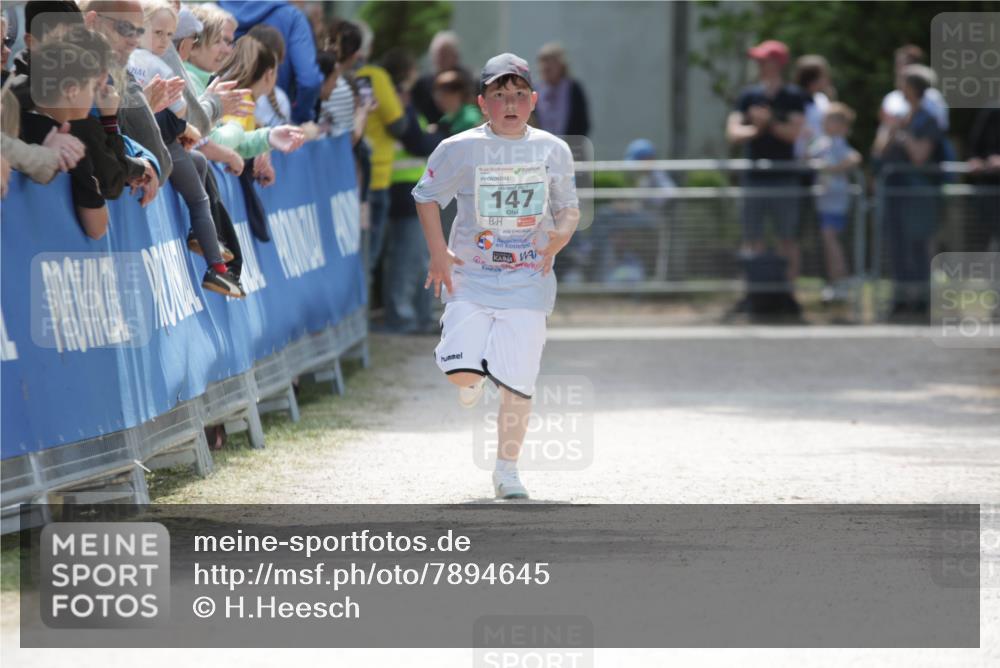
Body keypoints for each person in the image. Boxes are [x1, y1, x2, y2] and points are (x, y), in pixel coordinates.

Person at [412, 53, 580, 500]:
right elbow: (425, 196)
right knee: (462, 376)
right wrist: (438, 254)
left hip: (528, 280)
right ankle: (471, 376)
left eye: (519, 95)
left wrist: (559, 237)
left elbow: (568, 208)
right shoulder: (459, 148)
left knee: (519, 383)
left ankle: (507, 471)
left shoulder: (552, 149)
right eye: (500, 95)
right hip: (471, 276)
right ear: (482, 102)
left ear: (534, 101)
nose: (510, 104)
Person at [129, 0, 244, 298]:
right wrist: (186, 127)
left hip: (152, 143)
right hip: (162, 146)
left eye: (169, 36)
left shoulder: (126, 60)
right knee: (199, 200)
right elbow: (185, 115)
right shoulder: (158, 65)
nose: (165, 42)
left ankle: (200, 235)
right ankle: (217, 270)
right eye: (159, 34)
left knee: (200, 163)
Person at [725, 39, 805, 282]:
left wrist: (768, 123)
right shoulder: (748, 95)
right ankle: (754, 291)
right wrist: (758, 128)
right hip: (754, 178)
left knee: (787, 238)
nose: (758, 64)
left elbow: (794, 134)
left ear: (777, 63)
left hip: (784, 178)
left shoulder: (793, 96)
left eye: (763, 60)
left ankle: (788, 294)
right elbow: (733, 133)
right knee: (752, 238)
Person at [872, 64, 944, 320]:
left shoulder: (928, 119)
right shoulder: (900, 117)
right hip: (894, 191)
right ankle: (900, 299)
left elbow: (919, 157)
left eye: (904, 83)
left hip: (918, 193)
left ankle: (922, 300)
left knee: (918, 247)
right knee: (897, 246)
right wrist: (891, 129)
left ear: (914, 89)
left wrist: (902, 133)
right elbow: (878, 152)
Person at [20, 41, 110, 238]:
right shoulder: (70, 144)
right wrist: (93, 183)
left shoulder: (10, 122)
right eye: (93, 88)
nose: (94, 97)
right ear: (72, 90)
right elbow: (97, 228)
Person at [218, 1, 322, 124]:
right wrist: (300, 119)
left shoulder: (218, 11)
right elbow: (309, 80)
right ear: (270, 73)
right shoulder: (293, 17)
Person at [356, 25, 408, 271]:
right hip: (375, 178)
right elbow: (398, 125)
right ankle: (361, 311)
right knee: (366, 261)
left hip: (345, 179)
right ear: (368, 47)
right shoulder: (375, 76)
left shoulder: (335, 74)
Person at [807, 102, 861, 301]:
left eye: (829, 119)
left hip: (836, 200)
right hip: (823, 200)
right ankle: (835, 280)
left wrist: (833, 169)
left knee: (831, 239)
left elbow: (855, 158)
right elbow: (808, 156)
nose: (824, 122)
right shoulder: (822, 142)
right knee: (828, 240)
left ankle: (842, 279)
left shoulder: (838, 142)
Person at [535, 42, 590, 137]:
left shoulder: (573, 89)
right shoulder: (533, 90)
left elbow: (583, 123)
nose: (545, 66)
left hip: (568, 148)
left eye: (550, 61)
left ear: (561, 65)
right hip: (540, 148)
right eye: (542, 61)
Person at [410, 30, 466, 124]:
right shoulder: (422, 84)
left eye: (445, 54)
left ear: (455, 56)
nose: (441, 58)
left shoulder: (466, 80)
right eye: (437, 54)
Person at [793, 54, 831, 159]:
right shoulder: (793, 100)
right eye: (824, 75)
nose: (827, 79)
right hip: (797, 161)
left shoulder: (822, 99)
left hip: (820, 159)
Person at [430, 68, 481, 137]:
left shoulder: (471, 117)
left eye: (443, 94)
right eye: (437, 94)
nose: (438, 99)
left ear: (457, 94)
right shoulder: (445, 119)